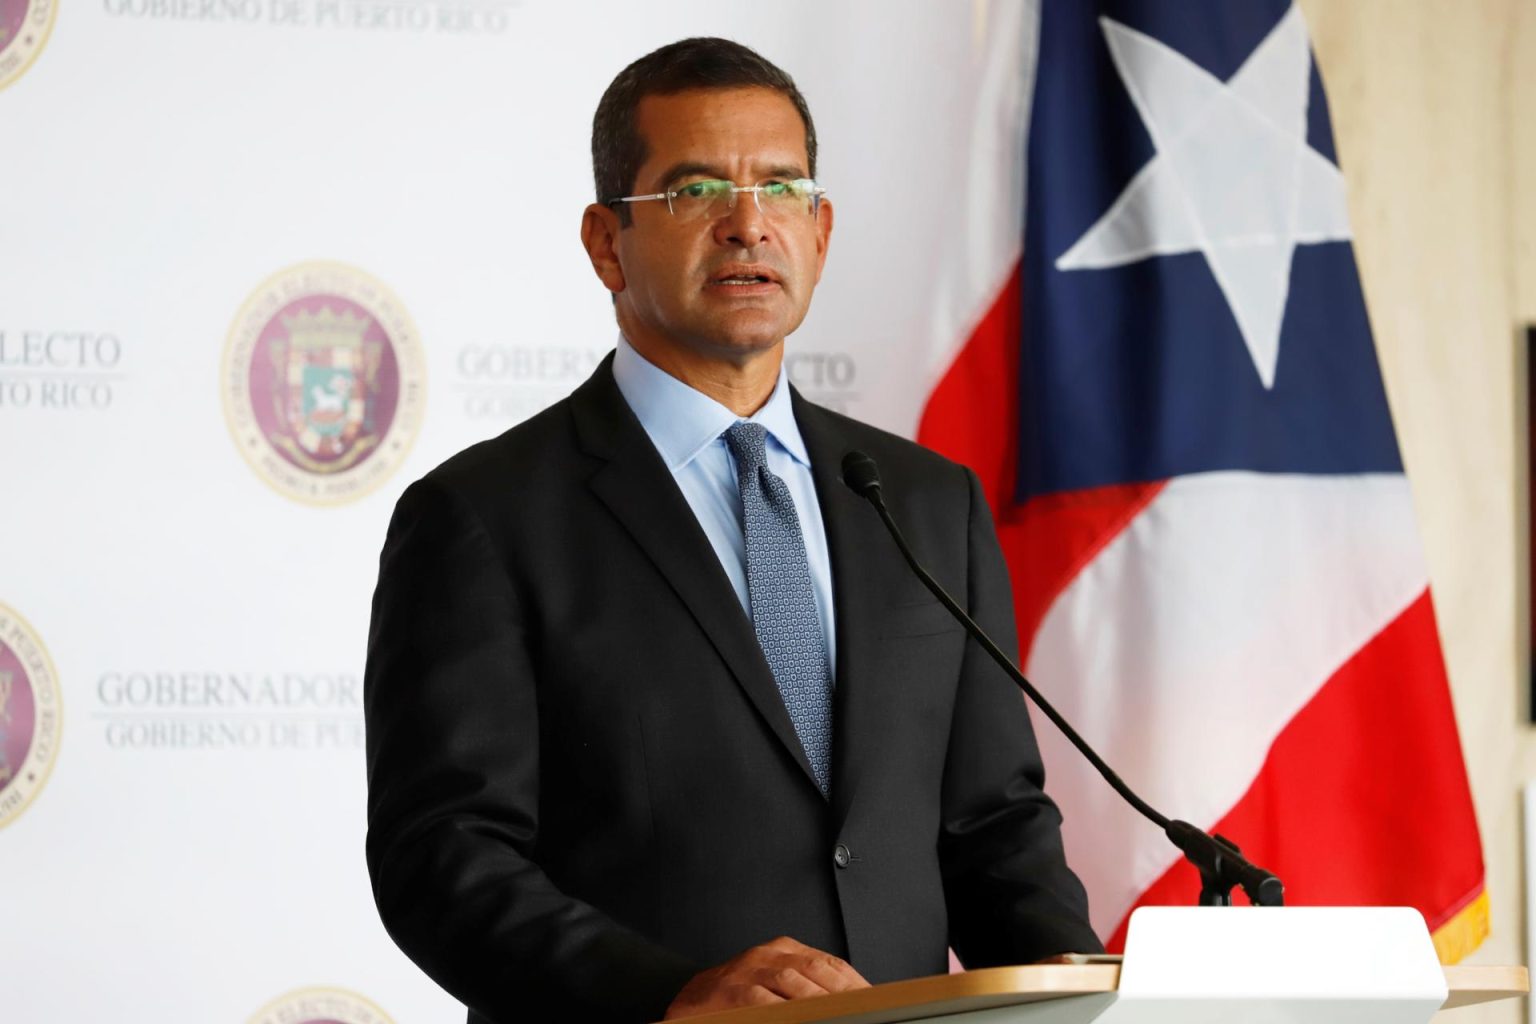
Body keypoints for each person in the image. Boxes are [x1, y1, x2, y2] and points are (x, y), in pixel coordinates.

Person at [363, 36, 1100, 1024]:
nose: (750, 225)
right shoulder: (485, 517)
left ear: (822, 231)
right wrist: (671, 993)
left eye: (784, 188)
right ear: (606, 240)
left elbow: (992, 826)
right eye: (697, 189)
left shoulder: (925, 500)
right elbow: (444, 854)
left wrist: (1084, 991)